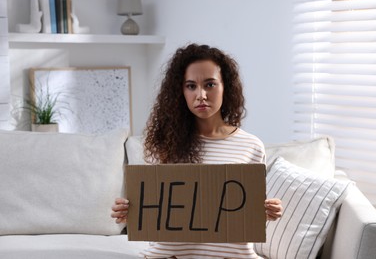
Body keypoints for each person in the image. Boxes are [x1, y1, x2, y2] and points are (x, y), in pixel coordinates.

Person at [112, 43, 283, 258]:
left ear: (225, 87)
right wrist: (131, 213)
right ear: (180, 91)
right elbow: (158, 210)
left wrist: (267, 211)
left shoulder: (251, 146)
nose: (201, 95)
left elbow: (246, 212)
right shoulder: (164, 144)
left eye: (210, 84)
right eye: (191, 86)